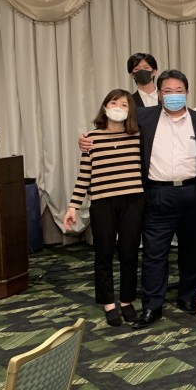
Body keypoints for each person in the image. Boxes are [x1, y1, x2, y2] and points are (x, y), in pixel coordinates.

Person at [132, 70, 196, 328]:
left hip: (193, 192)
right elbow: (112, 129)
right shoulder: (143, 117)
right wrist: (88, 139)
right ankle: (152, 305)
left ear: (187, 92)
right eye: (167, 91)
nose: (173, 96)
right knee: (154, 253)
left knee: (194, 250)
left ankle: (188, 296)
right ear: (159, 94)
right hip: (158, 193)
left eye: (179, 91)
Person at [63, 89, 144, 326]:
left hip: (133, 202)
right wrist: (73, 205)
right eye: (114, 103)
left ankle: (127, 301)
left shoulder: (138, 136)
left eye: (124, 105)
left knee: (129, 253)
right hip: (102, 203)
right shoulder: (91, 138)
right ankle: (108, 303)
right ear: (105, 107)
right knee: (104, 254)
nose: (118, 108)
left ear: (131, 111)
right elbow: (84, 174)